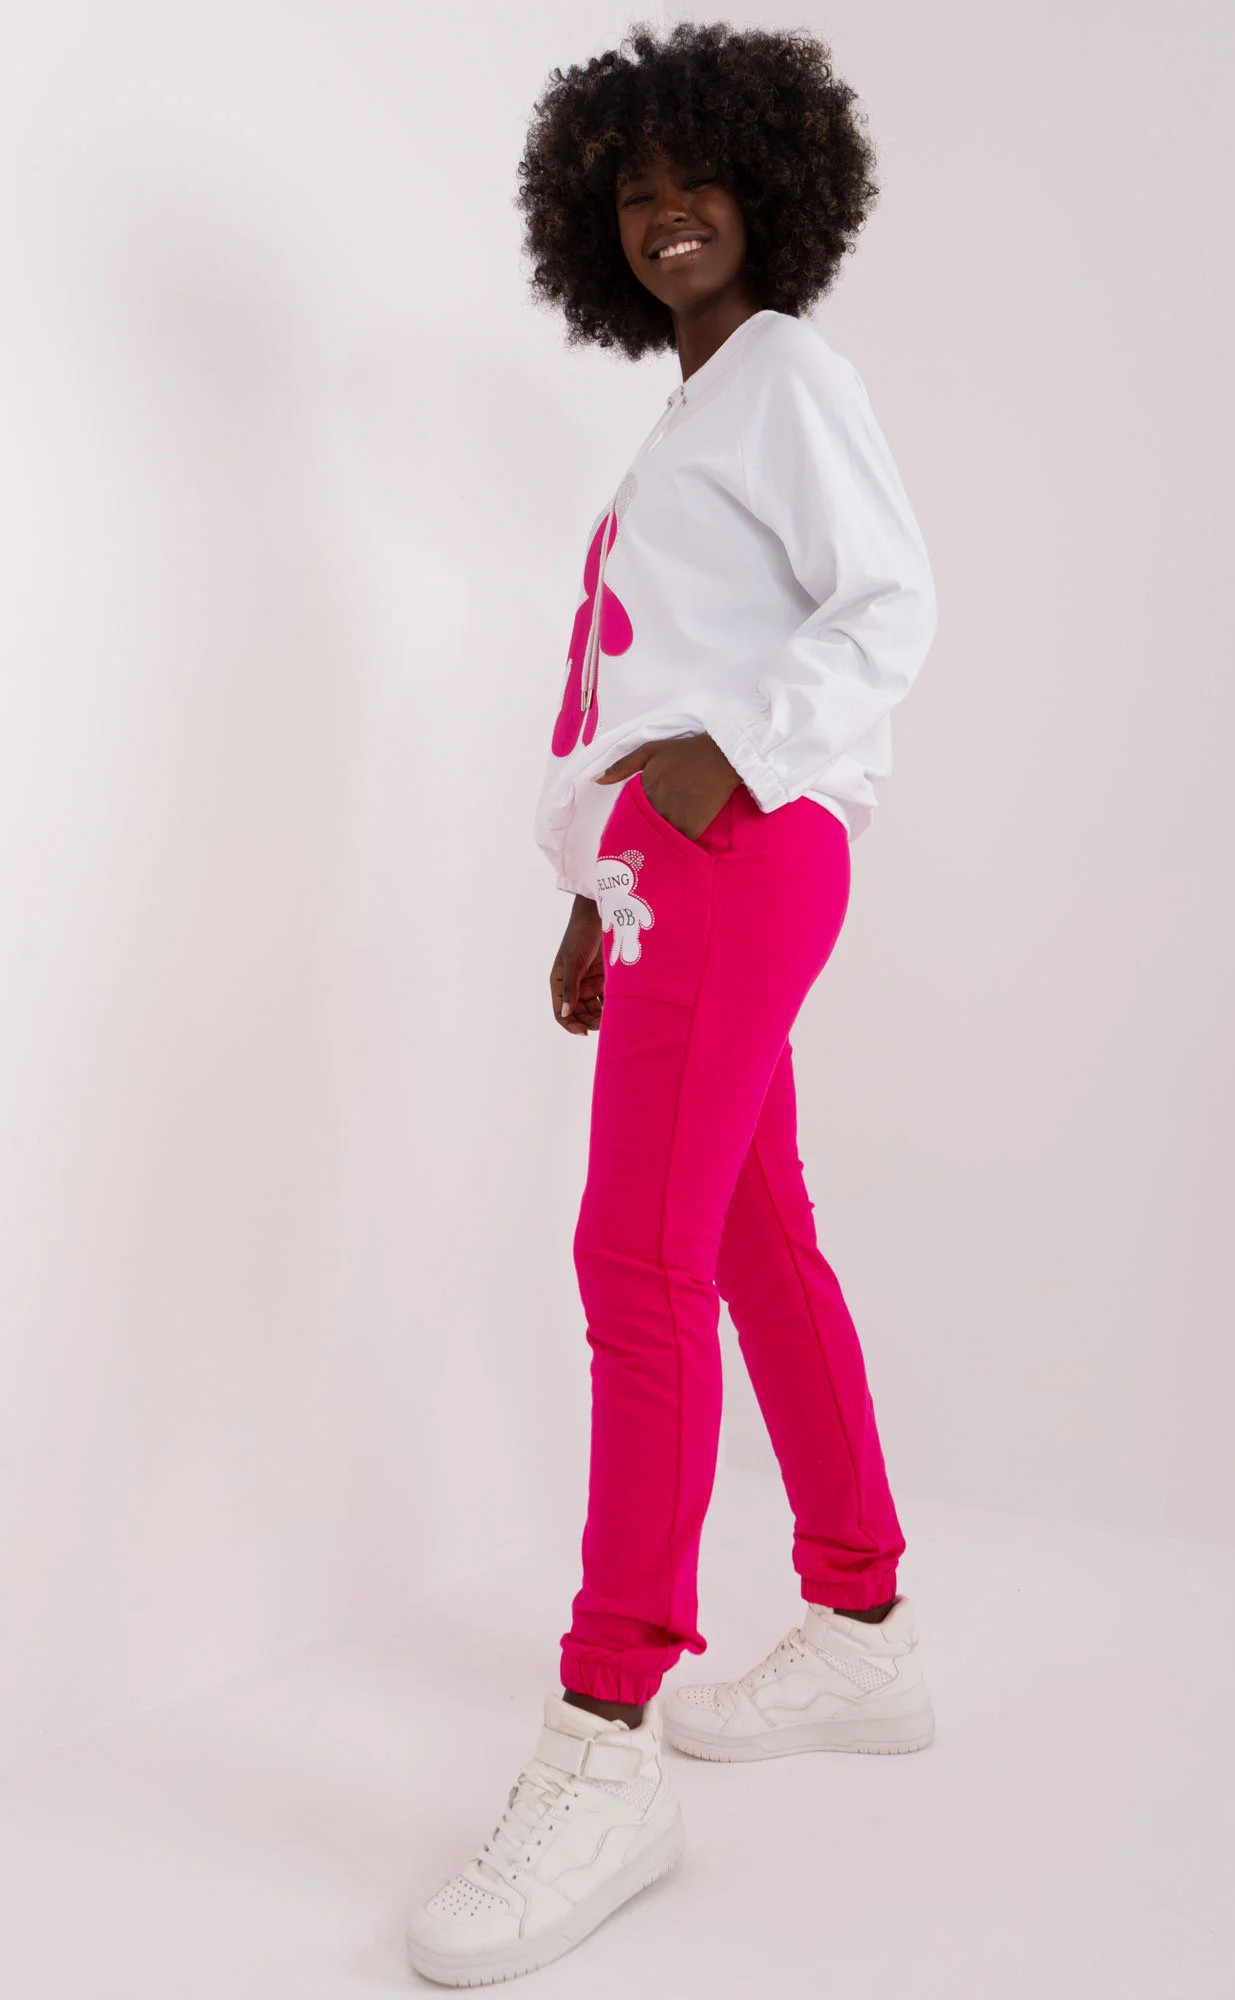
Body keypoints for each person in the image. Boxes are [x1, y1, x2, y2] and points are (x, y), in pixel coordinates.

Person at [407, 21, 939, 1986]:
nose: (665, 215)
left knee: (634, 1258)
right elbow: (633, 680)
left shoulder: (788, 374)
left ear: (772, 189)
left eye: (696, 179)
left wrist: (731, 761)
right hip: (673, 870)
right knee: (748, 1236)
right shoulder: (694, 417)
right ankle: (862, 1624)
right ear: (595, 228)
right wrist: (593, 881)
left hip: (745, 843)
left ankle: (607, 1731)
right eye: (633, 194)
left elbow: (888, 602)